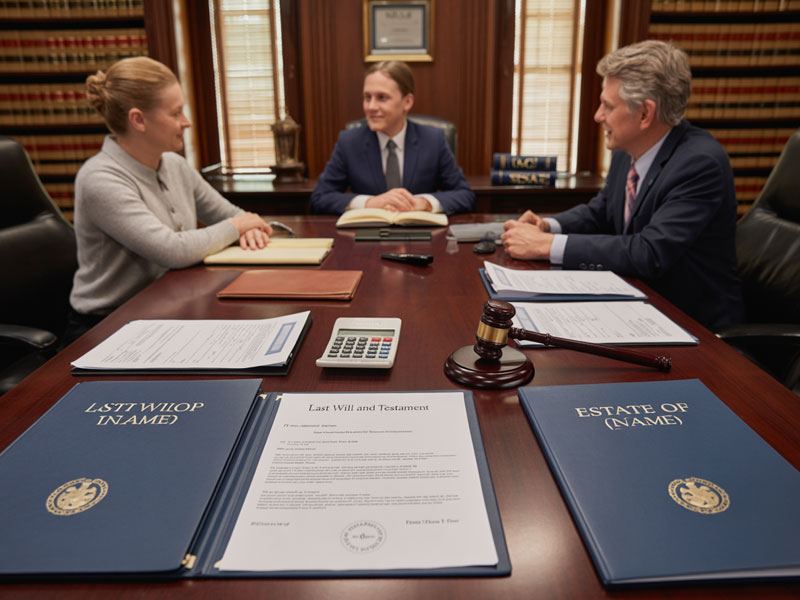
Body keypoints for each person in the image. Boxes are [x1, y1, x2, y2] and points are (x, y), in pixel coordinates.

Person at [501, 40, 743, 329]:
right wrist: (549, 226)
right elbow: (602, 210)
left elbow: (650, 252)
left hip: (695, 327)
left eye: (607, 106)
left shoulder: (700, 164)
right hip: (640, 307)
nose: (597, 116)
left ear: (644, 114)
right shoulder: (627, 150)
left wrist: (548, 246)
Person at [67, 57, 271, 336]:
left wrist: (246, 226)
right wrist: (238, 227)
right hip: (108, 326)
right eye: (175, 113)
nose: (186, 122)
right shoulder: (99, 179)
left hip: (166, 308)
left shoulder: (174, 164)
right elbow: (172, 251)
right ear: (138, 120)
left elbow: (232, 214)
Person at [310, 60, 475, 215]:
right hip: (367, 240)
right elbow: (320, 198)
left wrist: (425, 203)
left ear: (407, 102)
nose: (371, 107)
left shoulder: (433, 140)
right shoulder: (349, 142)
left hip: (421, 238)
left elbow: (465, 195)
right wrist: (369, 203)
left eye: (382, 97)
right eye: (367, 97)